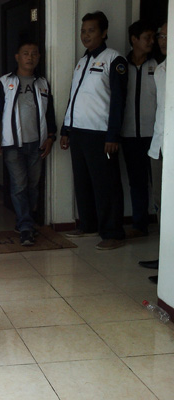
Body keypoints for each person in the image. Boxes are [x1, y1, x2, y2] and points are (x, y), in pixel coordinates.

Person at [60, 11, 128, 250]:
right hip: (78, 132)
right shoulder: (82, 61)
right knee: (83, 182)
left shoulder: (114, 60)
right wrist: (65, 129)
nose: (85, 35)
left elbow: (119, 102)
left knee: (106, 185)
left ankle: (113, 233)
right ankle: (88, 224)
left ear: (104, 32)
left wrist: (113, 135)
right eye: (83, 31)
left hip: (100, 134)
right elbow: (75, 97)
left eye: (91, 30)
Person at [0, 39, 57, 246]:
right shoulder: (4, 82)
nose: (30, 57)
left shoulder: (42, 83)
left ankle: (24, 221)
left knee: (33, 186)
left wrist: (51, 137)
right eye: (26, 53)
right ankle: (26, 227)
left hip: (37, 144)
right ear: (18, 57)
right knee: (19, 186)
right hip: (12, 144)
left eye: (34, 53)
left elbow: (50, 113)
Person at [121, 21, 157, 239]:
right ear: (134, 39)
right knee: (137, 181)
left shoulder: (158, 65)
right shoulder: (121, 66)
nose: (151, 42)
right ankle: (140, 224)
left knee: (160, 182)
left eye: (154, 37)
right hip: (129, 135)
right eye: (147, 37)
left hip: (154, 135)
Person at [141, 21, 168, 283]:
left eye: (167, 36)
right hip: (158, 146)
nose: (162, 40)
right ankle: (164, 257)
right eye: (160, 35)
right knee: (160, 204)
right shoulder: (160, 69)